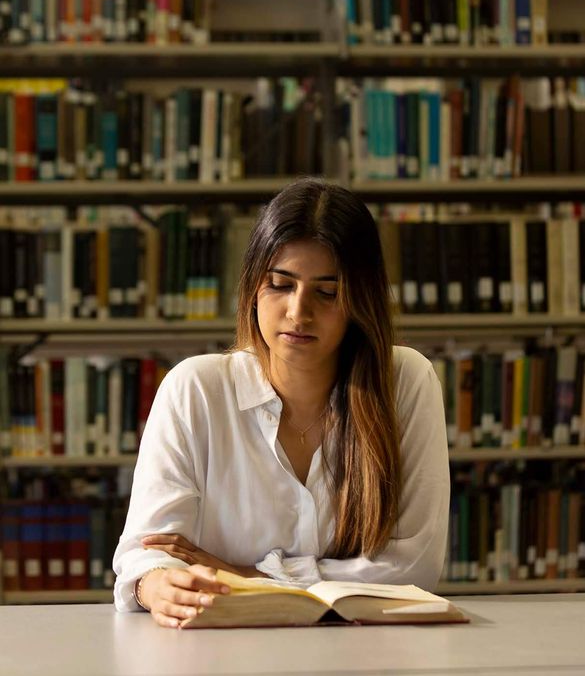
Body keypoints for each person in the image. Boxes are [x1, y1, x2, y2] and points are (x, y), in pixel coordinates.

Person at [113, 177, 450, 628]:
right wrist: (155, 584)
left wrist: (248, 576)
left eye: (327, 292)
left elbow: (414, 569)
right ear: (253, 288)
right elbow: (147, 553)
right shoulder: (194, 389)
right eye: (279, 284)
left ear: (360, 301)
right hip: (218, 654)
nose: (298, 311)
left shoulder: (405, 381)